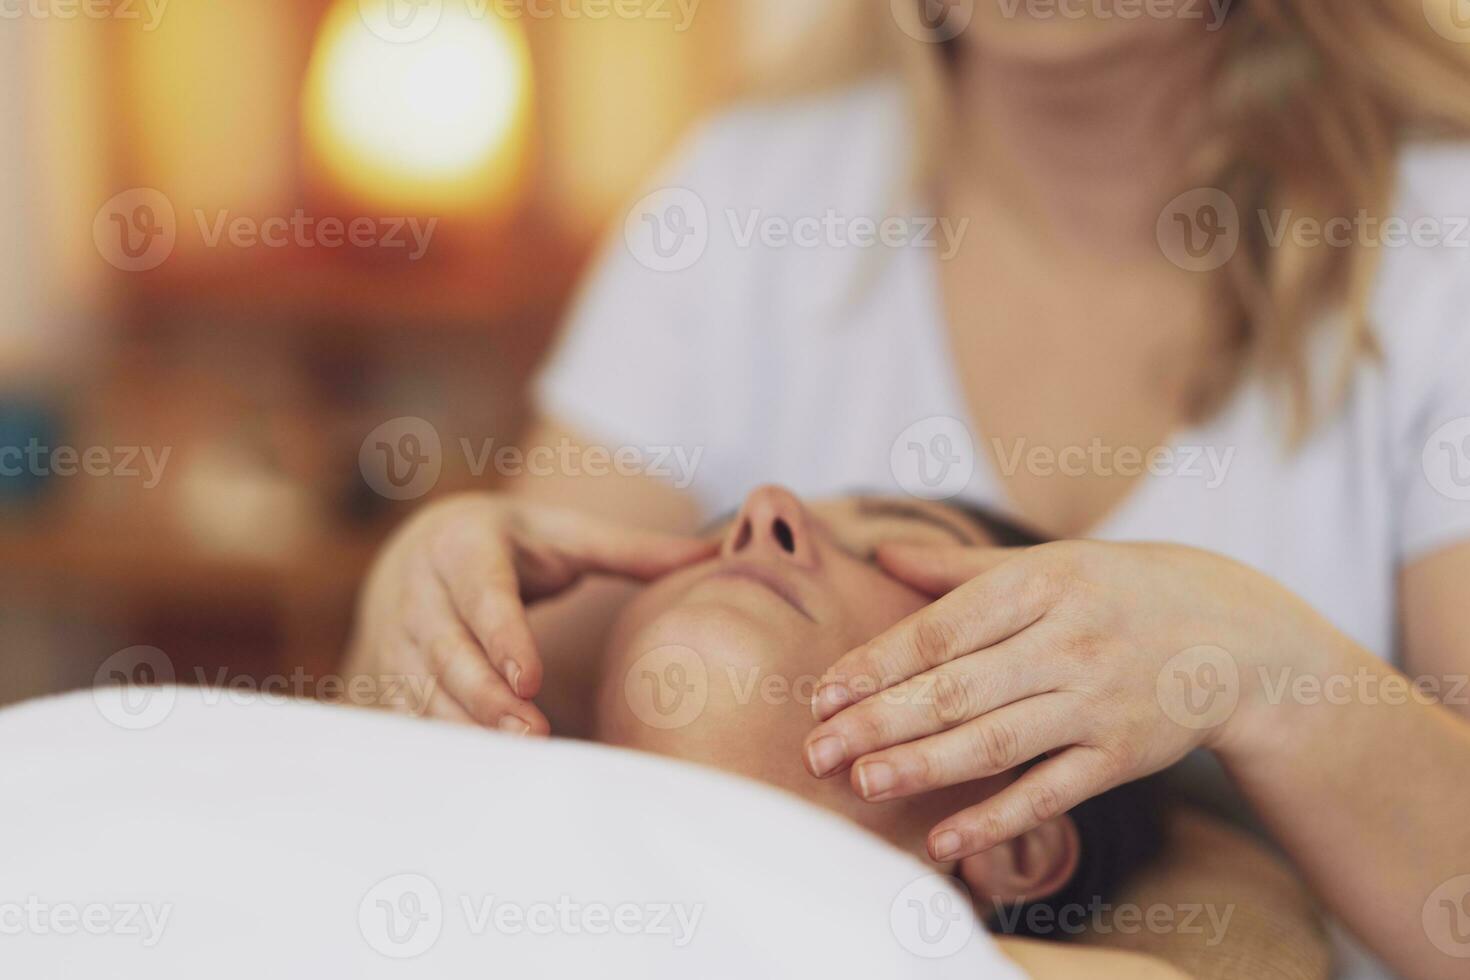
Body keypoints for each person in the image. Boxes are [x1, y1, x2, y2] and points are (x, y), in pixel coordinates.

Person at [348, 6, 1470, 978]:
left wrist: (1266, 667)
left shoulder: (1442, 246)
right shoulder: (750, 195)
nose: (764, 511)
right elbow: (507, 701)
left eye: (892, 542)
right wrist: (426, 606)